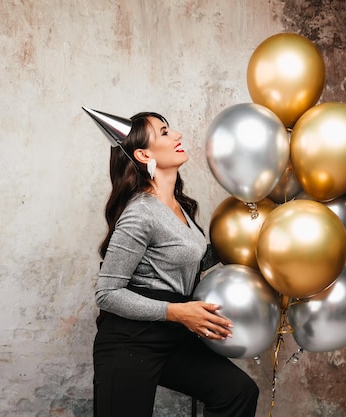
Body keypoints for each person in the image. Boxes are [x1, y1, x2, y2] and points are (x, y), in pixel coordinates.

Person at [91, 111, 259, 417]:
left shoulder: (179, 206)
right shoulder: (140, 212)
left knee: (238, 392)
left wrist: (246, 243)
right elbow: (107, 293)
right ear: (144, 154)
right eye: (165, 133)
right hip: (130, 341)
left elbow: (185, 261)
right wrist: (177, 312)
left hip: (172, 335)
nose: (178, 135)